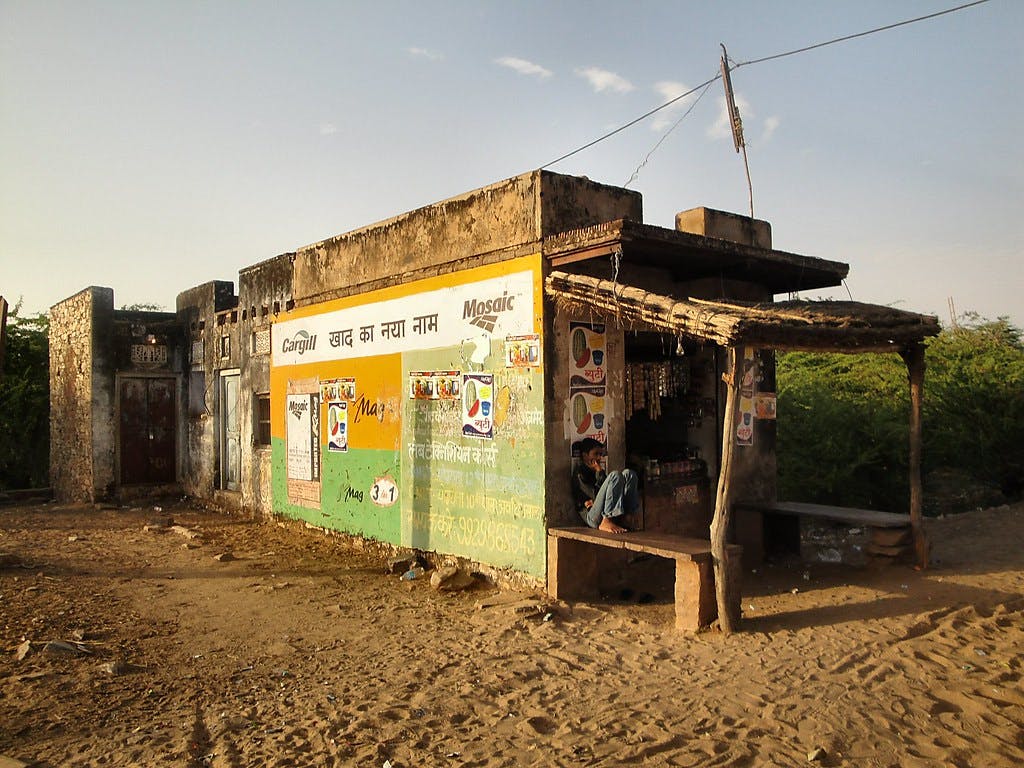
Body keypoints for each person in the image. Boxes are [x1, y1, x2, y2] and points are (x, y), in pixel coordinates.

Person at [572, 438, 641, 534]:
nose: (599, 458)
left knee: (629, 474)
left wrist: (599, 473)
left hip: (604, 511)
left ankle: (627, 517)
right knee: (615, 475)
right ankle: (607, 520)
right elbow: (595, 496)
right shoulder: (580, 473)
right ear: (585, 455)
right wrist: (599, 472)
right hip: (593, 517)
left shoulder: (598, 471)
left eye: (600, 454)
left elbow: (608, 494)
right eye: (596, 454)